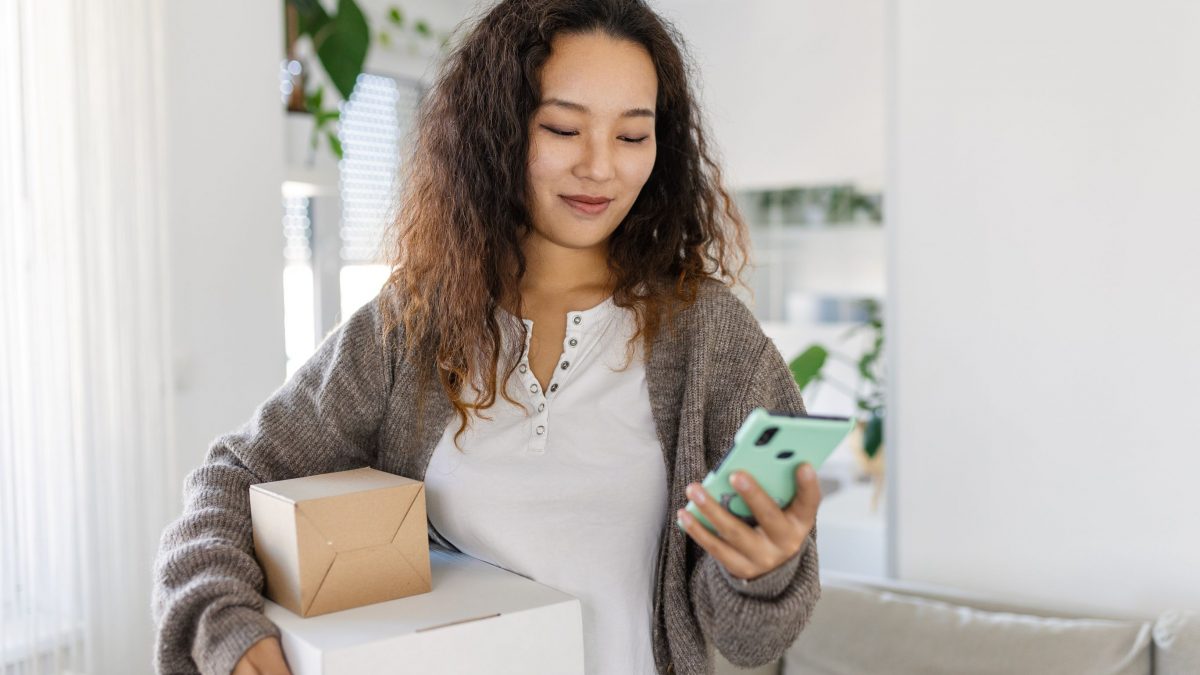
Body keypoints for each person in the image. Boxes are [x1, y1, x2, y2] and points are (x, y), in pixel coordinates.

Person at [152, 1, 822, 673]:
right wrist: (222, 619)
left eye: (632, 135)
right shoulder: (411, 326)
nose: (600, 167)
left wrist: (763, 570)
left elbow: (750, 641)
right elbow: (232, 479)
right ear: (499, 131)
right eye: (563, 127)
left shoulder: (709, 335)